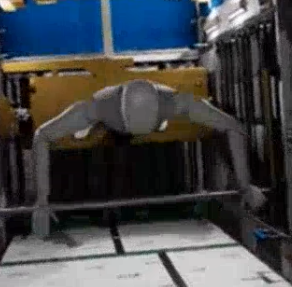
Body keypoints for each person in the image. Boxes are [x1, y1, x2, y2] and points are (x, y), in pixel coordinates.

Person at [31, 78, 267, 236]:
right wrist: (42, 202)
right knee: (82, 136)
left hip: (155, 121)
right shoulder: (97, 108)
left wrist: (245, 185)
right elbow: (42, 135)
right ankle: (92, 131)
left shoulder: (176, 103)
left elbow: (232, 126)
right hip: (105, 123)